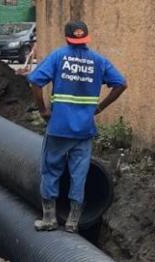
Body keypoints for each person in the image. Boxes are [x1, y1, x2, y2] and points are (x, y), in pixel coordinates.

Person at [28, 20, 127, 233]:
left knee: (51, 170)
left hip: (59, 128)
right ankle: (73, 222)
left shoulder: (58, 56)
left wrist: (43, 110)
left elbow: (35, 82)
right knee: (79, 173)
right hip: (84, 130)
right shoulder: (98, 61)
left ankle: (49, 219)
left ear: (67, 37)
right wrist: (100, 107)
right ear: (86, 38)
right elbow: (121, 83)